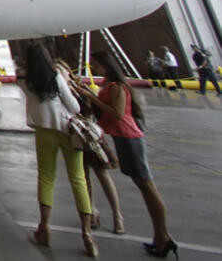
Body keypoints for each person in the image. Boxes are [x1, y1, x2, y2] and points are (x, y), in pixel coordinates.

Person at [76, 51, 177, 258]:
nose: (94, 68)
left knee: (148, 187)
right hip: (123, 139)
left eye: (96, 64)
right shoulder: (110, 84)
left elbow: (118, 113)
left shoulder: (116, 87)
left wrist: (90, 96)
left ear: (105, 65)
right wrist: (88, 93)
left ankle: (164, 236)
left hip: (130, 139)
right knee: (144, 186)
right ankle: (160, 237)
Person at [19, 44, 95, 256]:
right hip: (67, 131)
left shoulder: (25, 81)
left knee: (46, 178)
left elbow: (24, 79)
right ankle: (87, 233)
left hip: (44, 131)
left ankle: (44, 227)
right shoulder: (56, 77)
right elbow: (75, 107)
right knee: (78, 179)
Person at [55, 59, 125, 235]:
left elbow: (88, 110)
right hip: (76, 136)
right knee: (84, 176)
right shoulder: (64, 90)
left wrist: (84, 95)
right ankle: (91, 211)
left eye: (61, 72)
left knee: (102, 174)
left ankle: (117, 216)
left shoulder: (79, 90)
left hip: (89, 136)